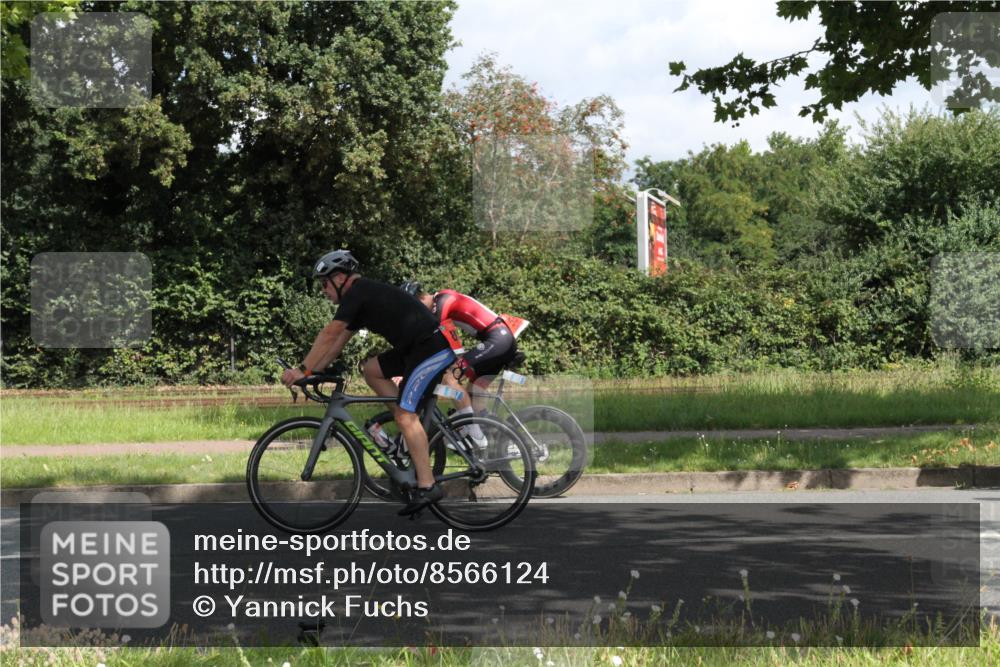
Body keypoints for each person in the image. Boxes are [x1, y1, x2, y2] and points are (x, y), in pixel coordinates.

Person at [281, 250, 455, 516]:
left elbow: (329, 333)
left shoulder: (358, 293)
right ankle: (405, 417)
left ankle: (427, 484)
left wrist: (303, 370)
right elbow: (336, 344)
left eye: (324, 283)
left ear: (340, 278)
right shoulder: (360, 299)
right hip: (414, 349)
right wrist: (315, 371)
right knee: (371, 369)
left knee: (408, 416)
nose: (323, 290)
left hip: (430, 349)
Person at [398, 281, 524, 447]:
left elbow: (432, 336)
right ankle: (503, 445)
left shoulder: (442, 300)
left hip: (497, 339)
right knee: (474, 395)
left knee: (449, 378)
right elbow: (452, 341)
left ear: (419, 299)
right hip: (499, 341)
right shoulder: (442, 303)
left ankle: (476, 438)